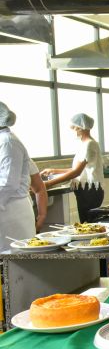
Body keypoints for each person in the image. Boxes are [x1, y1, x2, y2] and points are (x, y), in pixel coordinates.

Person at [0, 101, 48, 253]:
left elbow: (8, 184)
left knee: (13, 261)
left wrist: (41, 215)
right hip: (6, 210)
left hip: (11, 213)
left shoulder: (8, 142)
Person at [41, 113, 104, 222]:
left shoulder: (89, 144)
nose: (73, 130)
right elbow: (79, 169)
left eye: (74, 128)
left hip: (90, 191)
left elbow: (76, 172)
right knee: (86, 222)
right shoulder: (84, 144)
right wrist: (54, 171)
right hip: (85, 190)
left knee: (88, 224)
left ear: (80, 127)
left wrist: (48, 184)